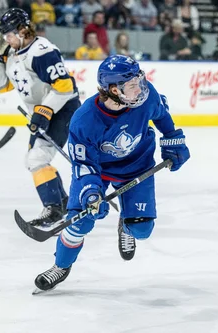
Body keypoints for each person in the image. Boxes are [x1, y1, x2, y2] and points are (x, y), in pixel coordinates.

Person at [34, 55, 191, 291]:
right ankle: (61, 266)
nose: (139, 89)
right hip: (99, 170)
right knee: (80, 222)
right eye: (131, 85)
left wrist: (172, 139)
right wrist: (91, 194)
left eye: (139, 80)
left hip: (138, 165)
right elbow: (84, 166)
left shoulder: (145, 98)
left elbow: (161, 115)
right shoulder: (84, 120)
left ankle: (125, 225)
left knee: (142, 230)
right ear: (113, 90)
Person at [0, 8, 80, 226]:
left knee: (37, 158)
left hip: (63, 109)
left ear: (22, 30)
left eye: (9, 34)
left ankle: (54, 210)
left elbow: (65, 87)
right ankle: (62, 204)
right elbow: (1, 86)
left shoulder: (42, 50)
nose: (6, 39)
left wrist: (44, 111)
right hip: (43, 113)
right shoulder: (12, 55)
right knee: (35, 160)